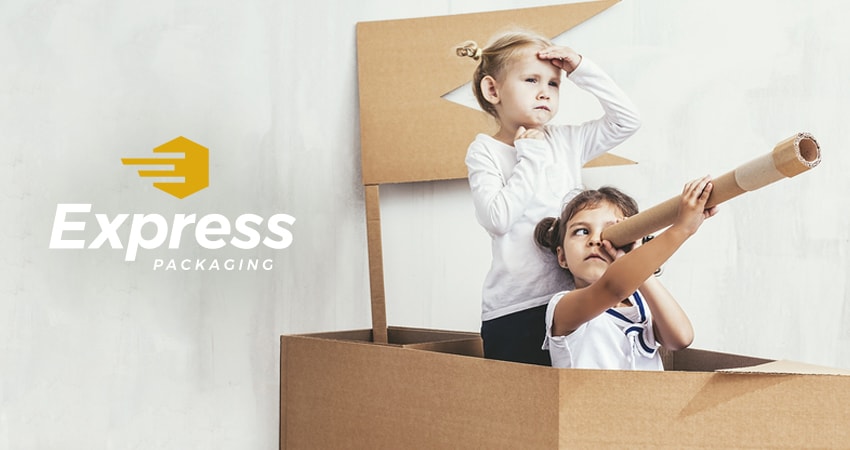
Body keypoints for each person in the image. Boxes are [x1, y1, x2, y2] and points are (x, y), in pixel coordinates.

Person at [457, 30, 641, 365]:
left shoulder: (567, 141)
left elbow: (628, 121)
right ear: (492, 89)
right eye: (531, 80)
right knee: (522, 406)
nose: (544, 92)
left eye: (554, 84)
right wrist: (531, 156)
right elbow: (497, 219)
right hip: (515, 310)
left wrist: (581, 68)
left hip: (571, 301)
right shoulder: (485, 150)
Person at [533, 177, 718, 369]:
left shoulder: (644, 307)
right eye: (581, 232)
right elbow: (613, 288)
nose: (595, 240)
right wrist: (682, 229)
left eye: (611, 231)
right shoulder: (562, 308)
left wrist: (638, 265)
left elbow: (681, 338)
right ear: (562, 257)